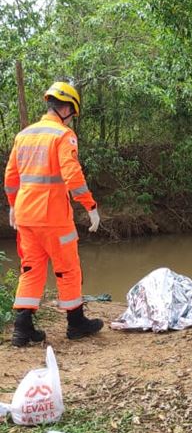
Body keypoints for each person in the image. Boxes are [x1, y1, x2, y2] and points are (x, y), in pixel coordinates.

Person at [4, 81, 104, 347]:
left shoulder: (23, 135)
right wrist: (90, 206)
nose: (72, 118)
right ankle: (76, 323)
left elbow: (11, 177)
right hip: (53, 218)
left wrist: (13, 205)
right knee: (68, 269)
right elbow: (72, 174)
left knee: (30, 270)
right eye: (72, 112)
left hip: (25, 216)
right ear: (68, 108)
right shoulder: (62, 135)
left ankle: (22, 329)